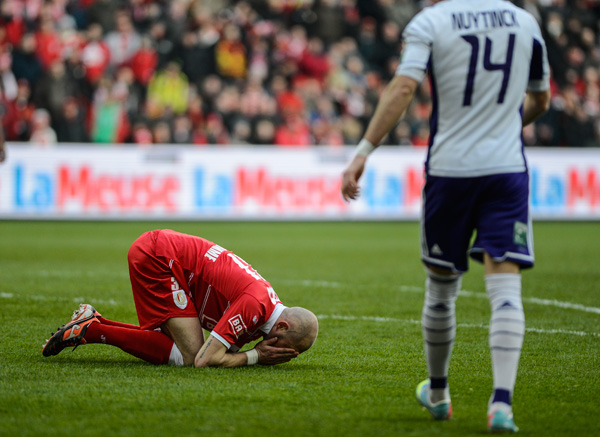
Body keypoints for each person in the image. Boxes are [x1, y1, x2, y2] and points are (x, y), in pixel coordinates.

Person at [341, 0, 550, 433]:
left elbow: (402, 89)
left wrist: (363, 152)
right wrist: (505, 126)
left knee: (441, 286)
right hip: (506, 169)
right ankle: (502, 405)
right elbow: (541, 99)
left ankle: (438, 393)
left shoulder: (432, 21)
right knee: (505, 285)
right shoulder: (525, 22)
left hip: (450, 171)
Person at [43, 229, 319, 368]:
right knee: (189, 355)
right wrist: (256, 356)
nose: (282, 354)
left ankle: (91, 323)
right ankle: (92, 329)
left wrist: (239, 354)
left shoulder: (264, 307)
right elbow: (204, 360)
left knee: (188, 343)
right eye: (286, 348)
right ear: (281, 327)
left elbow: (225, 353)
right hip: (158, 258)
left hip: (168, 258)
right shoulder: (255, 305)